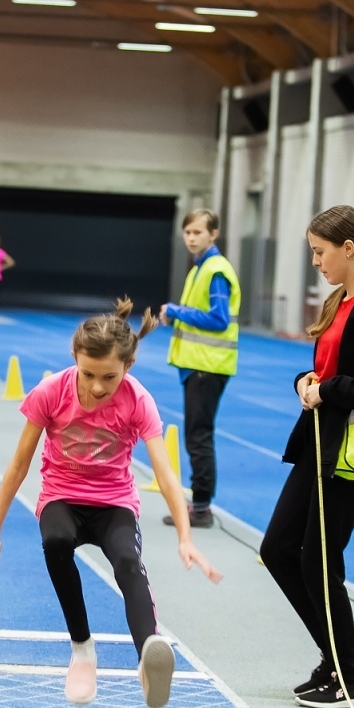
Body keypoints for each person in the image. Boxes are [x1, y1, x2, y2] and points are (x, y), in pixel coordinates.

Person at [0, 298, 222, 708]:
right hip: (62, 496)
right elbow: (19, 465)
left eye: (110, 376)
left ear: (129, 365)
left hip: (113, 502)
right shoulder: (51, 392)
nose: (99, 387)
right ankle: (83, 650)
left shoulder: (137, 400)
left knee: (126, 559)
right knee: (55, 541)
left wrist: (185, 536)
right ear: (74, 358)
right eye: (88, 374)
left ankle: (148, 657)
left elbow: (164, 473)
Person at [260, 206, 354, 708]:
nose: (315, 262)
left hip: (349, 456)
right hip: (318, 447)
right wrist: (306, 384)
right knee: (279, 550)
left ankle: (348, 675)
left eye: (320, 252)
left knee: (319, 563)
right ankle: (336, 658)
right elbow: (324, 371)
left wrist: (329, 391)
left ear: (349, 249)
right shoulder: (339, 302)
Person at [159, 208, 239, 530]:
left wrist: (177, 311)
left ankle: (201, 507)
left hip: (208, 365)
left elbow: (219, 319)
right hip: (197, 364)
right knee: (197, 433)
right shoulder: (199, 268)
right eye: (187, 232)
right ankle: (200, 504)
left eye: (198, 232)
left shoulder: (215, 270)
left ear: (213, 234)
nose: (191, 238)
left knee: (198, 435)